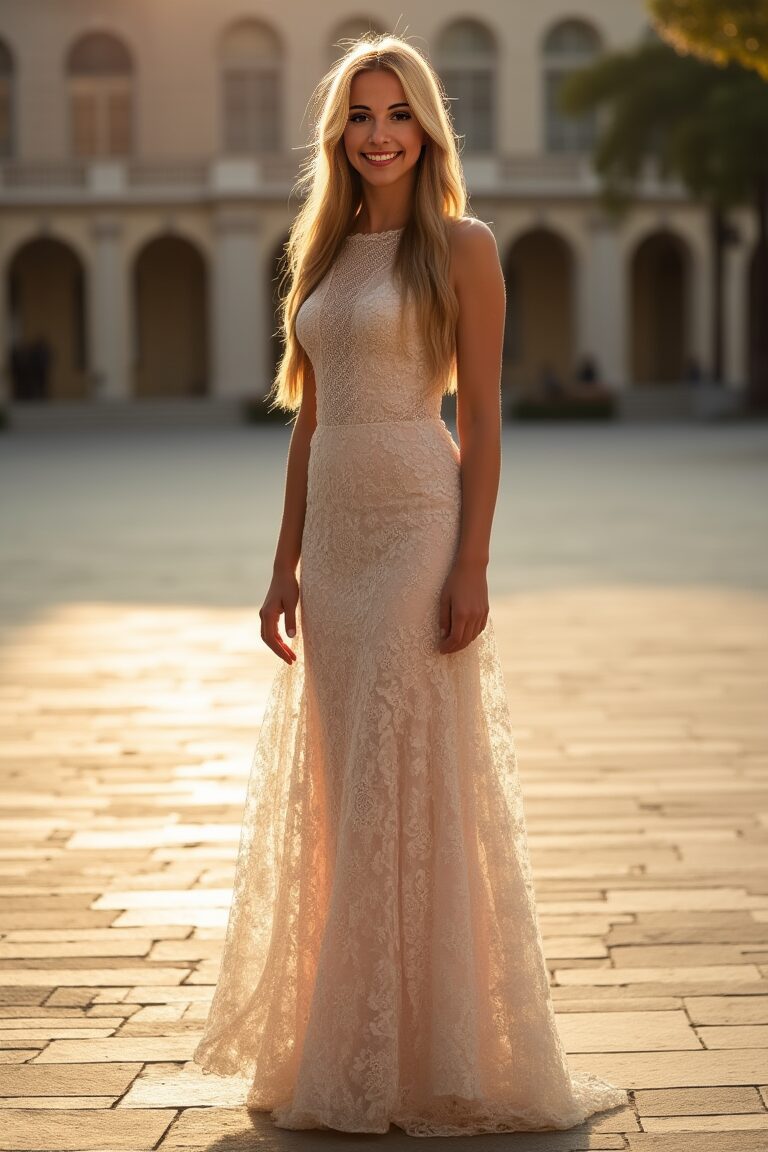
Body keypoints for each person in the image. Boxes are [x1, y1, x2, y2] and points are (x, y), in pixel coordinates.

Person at [192, 32, 628, 1138]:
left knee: (403, 770)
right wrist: (283, 562)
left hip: (418, 523)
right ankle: (352, 1047)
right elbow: (311, 420)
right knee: (347, 781)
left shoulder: (464, 247)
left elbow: (480, 416)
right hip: (335, 537)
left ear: (428, 129)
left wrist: (472, 559)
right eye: (359, 114)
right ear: (338, 132)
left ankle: (426, 1050)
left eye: (397, 114)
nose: (378, 134)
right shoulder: (325, 250)